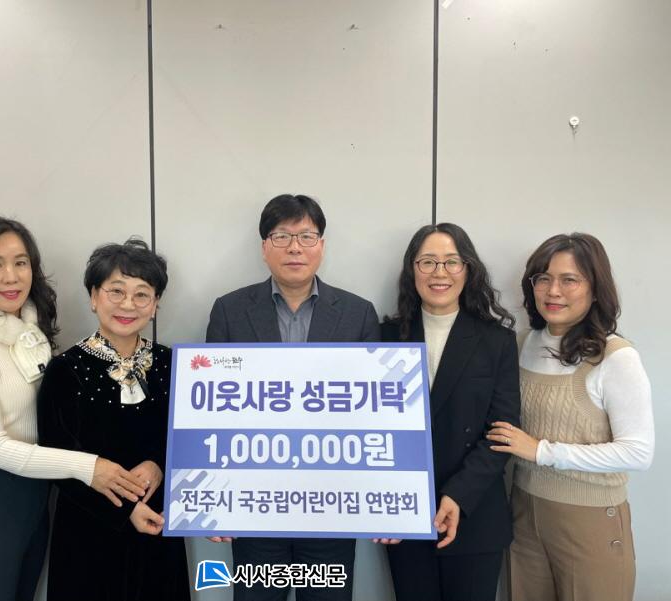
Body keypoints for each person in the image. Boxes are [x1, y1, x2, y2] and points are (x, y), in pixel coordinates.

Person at [0, 217, 150, 601]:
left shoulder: (32, 336)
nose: (11, 276)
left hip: (34, 497)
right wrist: (89, 467)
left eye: (21, 263)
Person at [206, 194, 380, 601]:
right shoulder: (230, 311)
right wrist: (216, 502)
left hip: (332, 506)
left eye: (306, 236)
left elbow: (374, 416)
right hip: (253, 505)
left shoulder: (357, 313)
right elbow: (213, 412)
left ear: (322, 245)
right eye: (282, 236)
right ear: (264, 247)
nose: (295, 247)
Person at [487, 233, 654, 601]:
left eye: (569, 280)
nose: (553, 291)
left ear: (595, 289)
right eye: (543, 278)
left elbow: (638, 452)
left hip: (590, 519)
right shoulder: (521, 344)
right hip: (523, 510)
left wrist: (542, 451)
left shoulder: (616, 357)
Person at [37, 238, 190, 601]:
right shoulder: (64, 369)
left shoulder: (174, 365)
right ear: (94, 296)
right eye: (116, 291)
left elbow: (189, 439)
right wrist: (125, 512)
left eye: (142, 294)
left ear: (155, 304)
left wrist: (159, 465)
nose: (128, 304)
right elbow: (55, 456)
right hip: (87, 529)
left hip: (157, 521)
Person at [379, 223, 520, 601]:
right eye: (427, 262)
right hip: (404, 514)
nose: (439, 273)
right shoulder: (385, 337)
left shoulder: (497, 340)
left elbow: (503, 431)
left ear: (468, 269)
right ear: (412, 270)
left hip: (474, 512)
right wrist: (381, 504)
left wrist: (457, 495)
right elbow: (369, 428)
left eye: (451, 262)